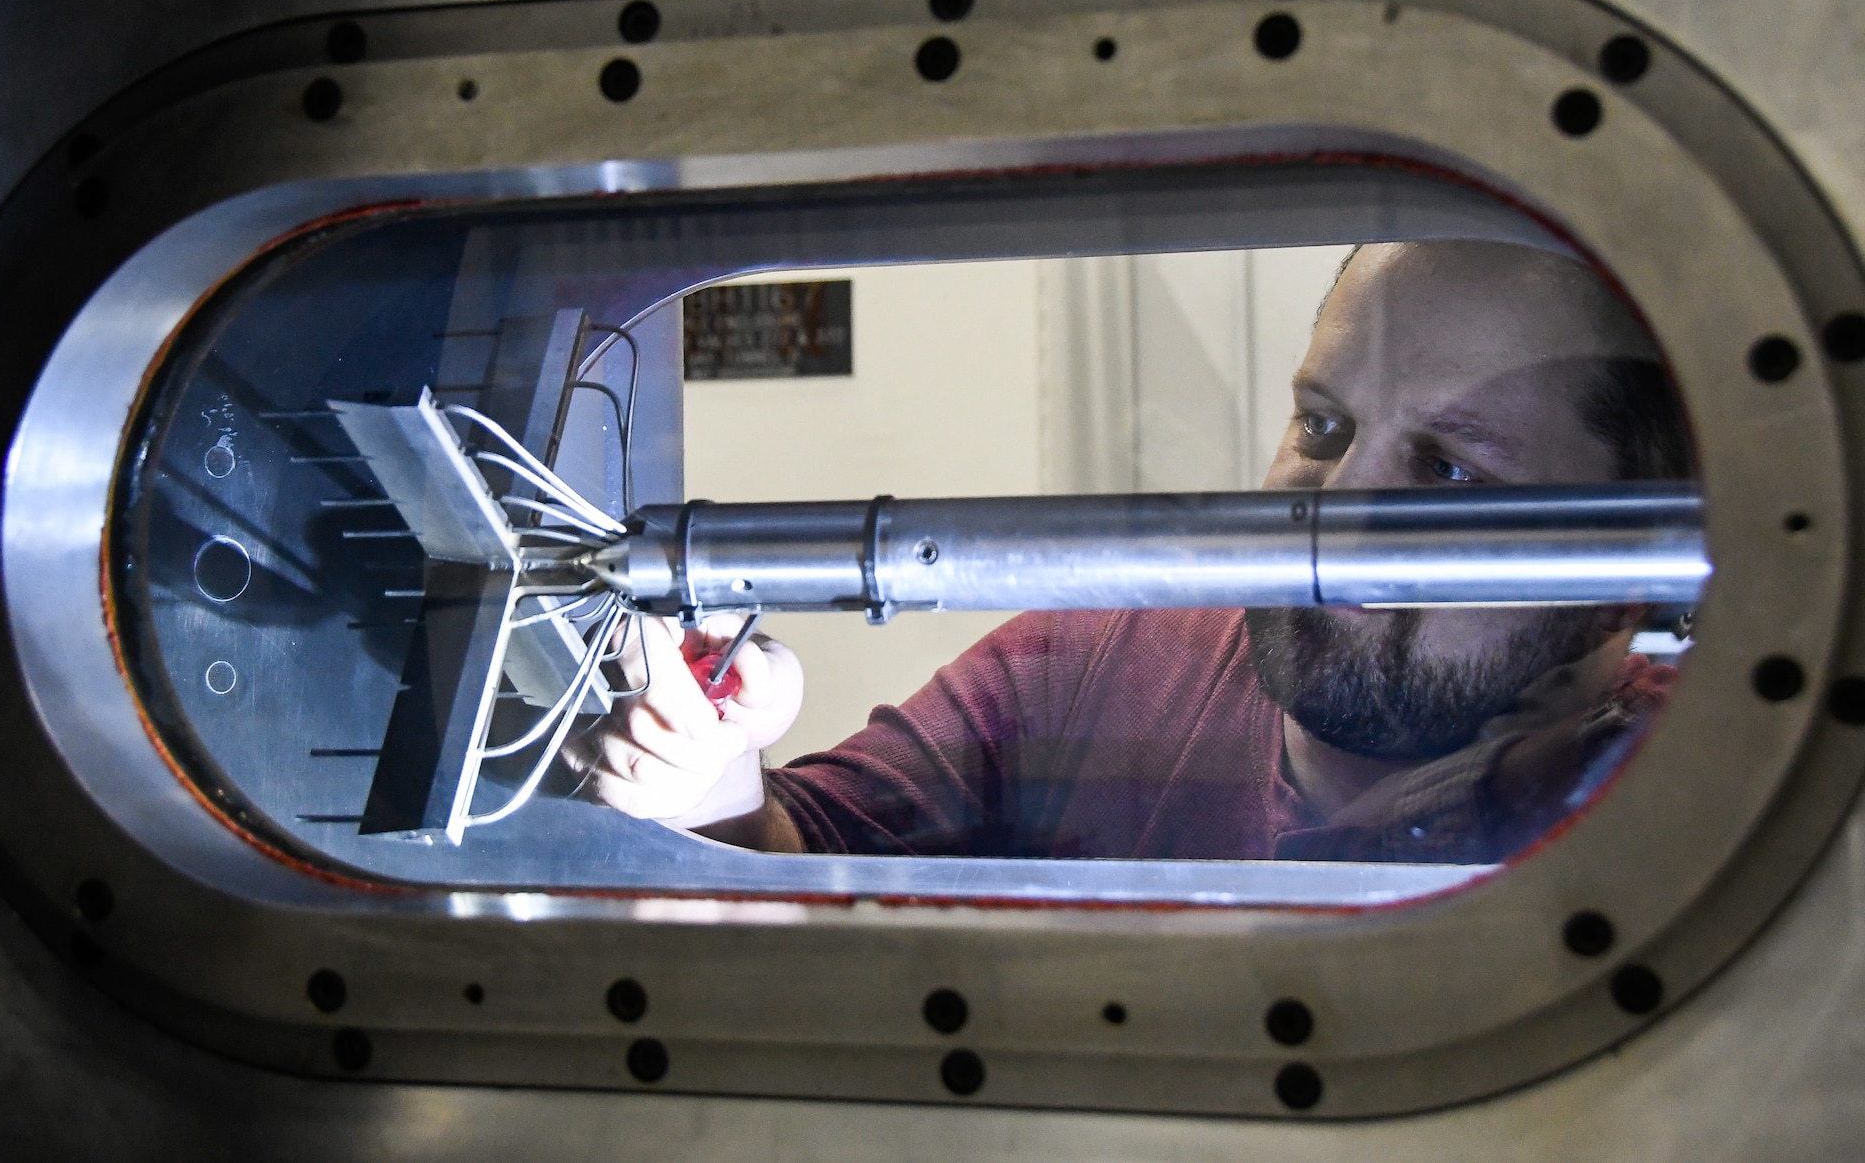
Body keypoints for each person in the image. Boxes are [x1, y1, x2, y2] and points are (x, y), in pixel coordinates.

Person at [565, 240, 1695, 863]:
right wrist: (708, 778)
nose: (1333, 513)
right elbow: (795, 863)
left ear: (1624, 575)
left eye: (1446, 471)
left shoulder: (1677, 791)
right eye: (1322, 427)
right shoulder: (1093, 661)